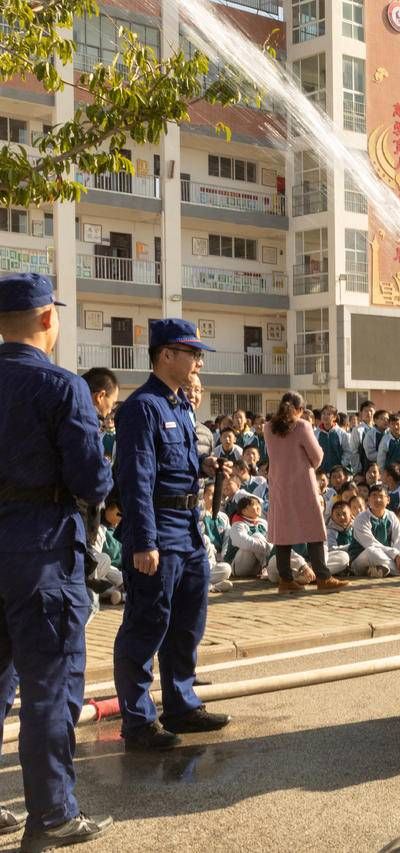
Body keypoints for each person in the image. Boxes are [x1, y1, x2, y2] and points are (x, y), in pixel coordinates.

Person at [0, 272, 115, 848]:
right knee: (49, 684)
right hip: (41, 548)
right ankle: (52, 814)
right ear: (48, 319)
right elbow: (91, 481)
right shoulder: (62, 386)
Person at [113, 318, 232, 753]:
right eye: (192, 353)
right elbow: (136, 478)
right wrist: (144, 541)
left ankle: (181, 703)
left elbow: (174, 463)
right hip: (158, 530)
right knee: (147, 624)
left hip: (188, 529)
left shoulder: (180, 405)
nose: (198, 361)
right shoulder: (142, 407)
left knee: (187, 623)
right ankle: (139, 720)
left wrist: (203, 468)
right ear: (166, 355)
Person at [264, 392, 349, 594]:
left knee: (283, 533)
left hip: (278, 484)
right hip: (301, 483)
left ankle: (285, 579)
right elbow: (317, 456)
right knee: (314, 529)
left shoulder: (268, 427)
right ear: (300, 409)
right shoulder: (302, 425)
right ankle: (323, 576)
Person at [352, 485, 400, 577]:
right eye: (374, 496)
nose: (377, 500)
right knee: (372, 552)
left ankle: (382, 569)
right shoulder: (361, 519)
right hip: (362, 558)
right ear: (368, 500)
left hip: (387, 556)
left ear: (388, 500)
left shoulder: (391, 516)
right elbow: (371, 544)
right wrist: (396, 555)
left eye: (381, 496)